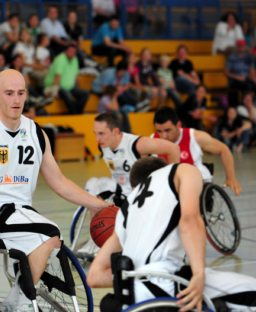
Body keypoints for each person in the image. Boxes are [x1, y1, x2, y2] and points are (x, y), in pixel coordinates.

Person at [0, 69, 111, 312]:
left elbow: (58, 181)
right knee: (50, 233)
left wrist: (97, 205)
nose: (16, 100)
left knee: (52, 238)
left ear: (26, 94)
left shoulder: (36, 133)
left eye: (20, 93)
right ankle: (20, 303)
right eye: (9, 93)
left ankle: (17, 299)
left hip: (17, 212)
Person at [88, 156, 256, 312]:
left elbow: (94, 277)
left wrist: (136, 278)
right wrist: (198, 274)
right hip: (166, 285)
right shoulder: (183, 170)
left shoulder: (126, 207)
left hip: (128, 297)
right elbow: (189, 220)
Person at [77, 112, 180, 257]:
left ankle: (109, 241)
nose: (97, 139)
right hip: (120, 190)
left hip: (140, 191)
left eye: (101, 133)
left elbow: (173, 149)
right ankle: (97, 239)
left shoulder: (137, 144)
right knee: (93, 183)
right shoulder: (103, 145)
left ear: (116, 131)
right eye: (95, 133)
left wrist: (174, 184)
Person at [152, 106, 242, 194]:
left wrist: (231, 178)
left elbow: (223, 149)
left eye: (168, 130)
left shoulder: (195, 137)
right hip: (171, 183)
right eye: (159, 131)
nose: (164, 136)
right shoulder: (152, 141)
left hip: (198, 180)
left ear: (178, 125)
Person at [44, 44, 89, 114]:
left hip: (69, 87)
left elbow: (76, 76)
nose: (72, 54)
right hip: (57, 86)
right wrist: (54, 92)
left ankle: (76, 113)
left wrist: (78, 88)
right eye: (71, 51)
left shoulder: (75, 59)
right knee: (68, 95)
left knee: (85, 94)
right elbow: (57, 77)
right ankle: (75, 114)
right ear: (66, 51)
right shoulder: (60, 59)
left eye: (74, 52)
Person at [224, 39, 256, 107]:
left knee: (253, 84)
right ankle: (245, 105)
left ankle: (253, 104)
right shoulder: (231, 57)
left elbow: (252, 70)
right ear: (237, 47)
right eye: (240, 46)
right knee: (248, 86)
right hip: (234, 80)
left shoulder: (248, 57)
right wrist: (238, 77)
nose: (241, 48)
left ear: (245, 47)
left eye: (242, 46)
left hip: (245, 79)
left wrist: (253, 79)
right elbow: (226, 72)